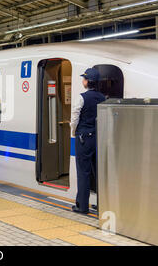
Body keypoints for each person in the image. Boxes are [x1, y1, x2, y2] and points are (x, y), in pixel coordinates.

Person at [70, 67, 105, 214]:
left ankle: (82, 206)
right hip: (98, 138)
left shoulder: (81, 97)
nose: (82, 81)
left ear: (87, 81)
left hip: (83, 138)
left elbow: (75, 117)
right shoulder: (103, 98)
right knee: (98, 172)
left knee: (83, 172)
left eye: (84, 78)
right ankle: (101, 205)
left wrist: (73, 131)